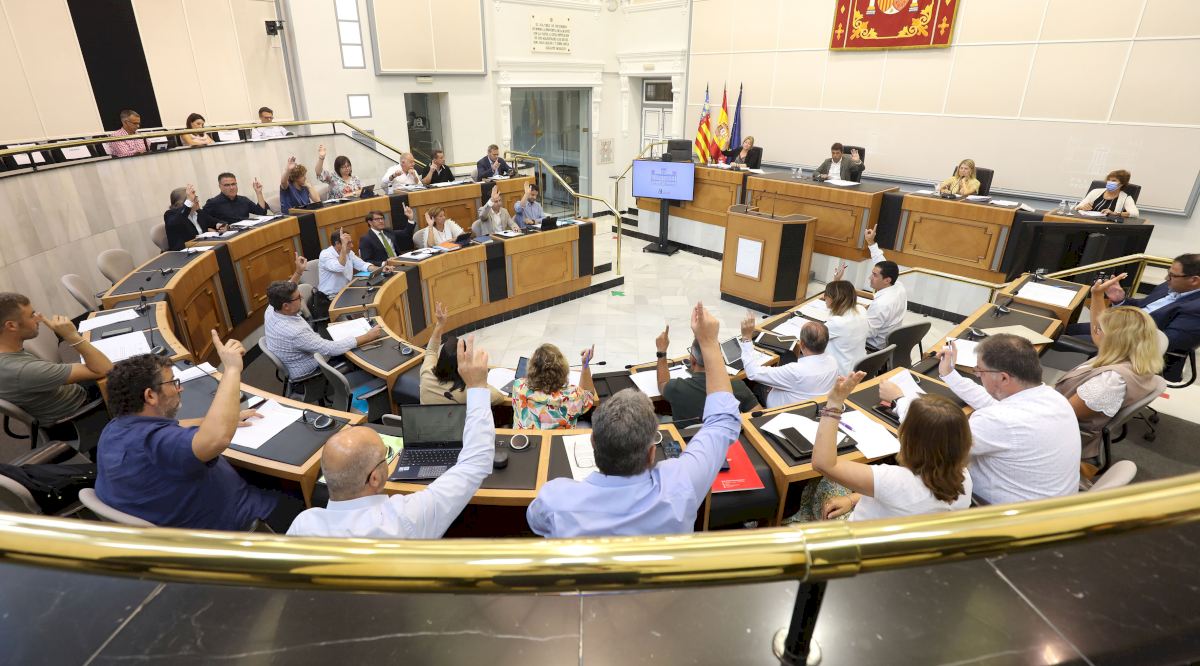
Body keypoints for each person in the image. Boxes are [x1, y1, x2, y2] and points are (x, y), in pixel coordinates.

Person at [527, 303, 742, 537]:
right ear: (651, 453)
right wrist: (709, 343)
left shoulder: (556, 499)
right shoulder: (680, 484)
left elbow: (536, 522)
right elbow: (723, 422)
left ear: (593, 444)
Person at [95, 331, 305, 531]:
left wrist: (223, 418)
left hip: (180, 518)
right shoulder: (160, 444)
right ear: (150, 396)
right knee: (305, 501)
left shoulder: (113, 430)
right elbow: (217, 439)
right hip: (239, 523)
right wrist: (232, 369)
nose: (180, 388)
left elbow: (179, 426)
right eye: (173, 382)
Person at [287, 336, 495, 538]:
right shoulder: (406, 518)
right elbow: (474, 463)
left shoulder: (303, 525)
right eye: (385, 454)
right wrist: (477, 386)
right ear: (375, 478)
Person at [881, 335, 1080, 505]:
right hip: (1051, 507)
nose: (978, 375)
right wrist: (949, 374)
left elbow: (934, 438)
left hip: (998, 511)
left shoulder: (997, 421)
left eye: (980, 371)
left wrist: (900, 400)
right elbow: (993, 402)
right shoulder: (1053, 398)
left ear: (1003, 378)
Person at [801, 372, 972, 522]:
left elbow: (823, 464)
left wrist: (834, 403)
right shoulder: (964, 479)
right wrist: (852, 499)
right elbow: (892, 494)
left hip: (859, 541)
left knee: (822, 483)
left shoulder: (893, 480)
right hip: (904, 542)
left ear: (909, 440)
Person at [1055, 277, 1164, 462]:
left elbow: (1060, 415)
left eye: (1100, 330)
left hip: (1062, 437)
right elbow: (1098, 327)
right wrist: (1097, 295)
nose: (1095, 331)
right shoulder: (1132, 356)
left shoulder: (1110, 382)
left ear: (1114, 339)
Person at [0, 293, 112, 441]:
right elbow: (105, 368)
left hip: (66, 396)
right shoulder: (22, 370)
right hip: (82, 415)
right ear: (11, 325)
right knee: (135, 375)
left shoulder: (8, 354)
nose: (39, 318)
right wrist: (72, 336)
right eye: (32, 315)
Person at [263, 272, 384, 383]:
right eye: (298, 297)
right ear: (286, 306)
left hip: (304, 352)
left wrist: (298, 272)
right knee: (362, 352)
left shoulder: (272, 309)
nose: (302, 298)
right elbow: (331, 349)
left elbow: (286, 290)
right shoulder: (295, 332)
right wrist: (368, 336)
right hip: (311, 370)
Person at [1074, 256, 1200, 355]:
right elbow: (1142, 306)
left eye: (1172, 275)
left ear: (1194, 280)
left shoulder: (1196, 310)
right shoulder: (1170, 286)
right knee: (1069, 329)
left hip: (1132, 348)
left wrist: (1113, 332)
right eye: (1168, 272)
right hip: (1118, 328)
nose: (1166, 278)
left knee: (1065, 340)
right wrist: (1120, 300)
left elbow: (1162, 343)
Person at [655, 325, 758, 425]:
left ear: (693, 361)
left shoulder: (676, 388)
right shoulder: (738, 387)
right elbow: (759, 418)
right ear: (720, 360)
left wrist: (661, 351)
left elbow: (662, 383)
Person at [834, 225, 907, 349]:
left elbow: (867, 333)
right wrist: (870, 242)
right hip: (886, 340)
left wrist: (848, 314)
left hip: (872, 347)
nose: (869, 278)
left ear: (887, 280)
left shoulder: (882, 304)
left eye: (874, 275)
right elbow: (881, 262)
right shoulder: (898, 286)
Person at [739, 316, 837, 408]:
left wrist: (746, 338)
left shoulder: (795, 370)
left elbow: (753, 373)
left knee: (755, 385)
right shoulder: (833, 362)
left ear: (802, 344)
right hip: (810, 407)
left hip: (780, 409)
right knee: (788, 357)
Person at [420, 302, 506, 406]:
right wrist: (480, 379)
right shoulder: (466, 391)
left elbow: (431, 351)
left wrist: (440, 324)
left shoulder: (426, 373)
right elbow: (499, 397)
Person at [511, 343, 597, 429]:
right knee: (586, 424)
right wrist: (585, 363)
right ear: (562, 370)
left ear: (532, 368)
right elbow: (589, 393)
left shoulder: (518, 386)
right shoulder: (573, 396)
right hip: (561, 438)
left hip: (525, 437)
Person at [318, 228, 381, 300]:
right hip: (330, 297)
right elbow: (339, 267)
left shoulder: (349, 253)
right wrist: (344, 247)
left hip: (346, 291)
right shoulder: (325, 254)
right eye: (348, 243)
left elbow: (362, 265)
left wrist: (379, 269)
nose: (352, 246)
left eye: (351, 242)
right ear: (337, 244)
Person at [822, 280, 868, 375]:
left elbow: (813, 337)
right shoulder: (861, 310)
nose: (824, 297)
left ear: (836, 299)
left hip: (841, 373)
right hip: (859, 365)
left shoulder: (837, 323)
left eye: (826, 295)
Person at [164, 184, 225, 251]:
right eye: (194, 199)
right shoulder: (170, 215)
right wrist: (189, 202)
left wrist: (223, 226)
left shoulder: (199, 212)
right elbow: (178, 220)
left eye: (196, 197)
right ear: (182, 203)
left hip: (204, 248)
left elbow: (217, 222)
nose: (197, 200)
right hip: (184, 253)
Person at [202, 172, 271, 224]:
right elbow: (203, 220)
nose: (231, 188)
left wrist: (259, 193)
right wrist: (216, 227)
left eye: (233, 184)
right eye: (227, 185)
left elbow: (261, 212)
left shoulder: (244, 200)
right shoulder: (213, 203)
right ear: (220, 186)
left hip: (247, 231)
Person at [1075, 169, 1139, 218]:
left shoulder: (1126, 198)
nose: (1109, 182)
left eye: (1114, 181)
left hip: (1108, 227)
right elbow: (1077, 207)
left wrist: (1115, 213)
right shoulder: (1095, 191)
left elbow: (1135, 214)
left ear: (1122, 184)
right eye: (1109, 180)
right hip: (1088, 222)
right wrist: (1083, 207)